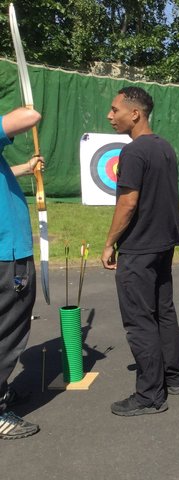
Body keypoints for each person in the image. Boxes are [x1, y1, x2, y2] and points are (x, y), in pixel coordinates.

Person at [101, 86, 179, 416]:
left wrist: (109, 243)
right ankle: (172, 377)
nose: (110, 116)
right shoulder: (164, 147)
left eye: (114, 110)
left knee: (139, 320)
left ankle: (150, 395)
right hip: (163, 243)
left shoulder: (134, 152)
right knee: (163, 310)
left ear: (135, 114)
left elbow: (128, 202)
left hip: (139, 247)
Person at [1, 107, 43, 439]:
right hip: (8, 255)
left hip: (7, 252)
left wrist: (25, 169)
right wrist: (28, 107)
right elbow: (30, 116)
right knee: (8, 333)